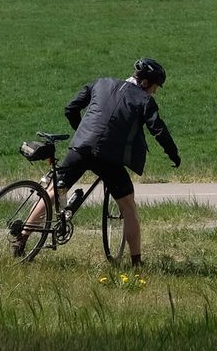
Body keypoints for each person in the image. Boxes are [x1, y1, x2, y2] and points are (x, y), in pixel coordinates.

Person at [21, 58, 181, 264]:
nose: (155, 92)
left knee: (52, 191)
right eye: (155, 87)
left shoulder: (101, 82)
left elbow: (71, 108)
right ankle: (136, 262)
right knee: (128, 206)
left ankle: (22, 237)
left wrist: (82, 131)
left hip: (80, 147)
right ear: (146, 83)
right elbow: (158, 130)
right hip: (109, 157)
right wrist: (174, 154)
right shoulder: (144, 99)